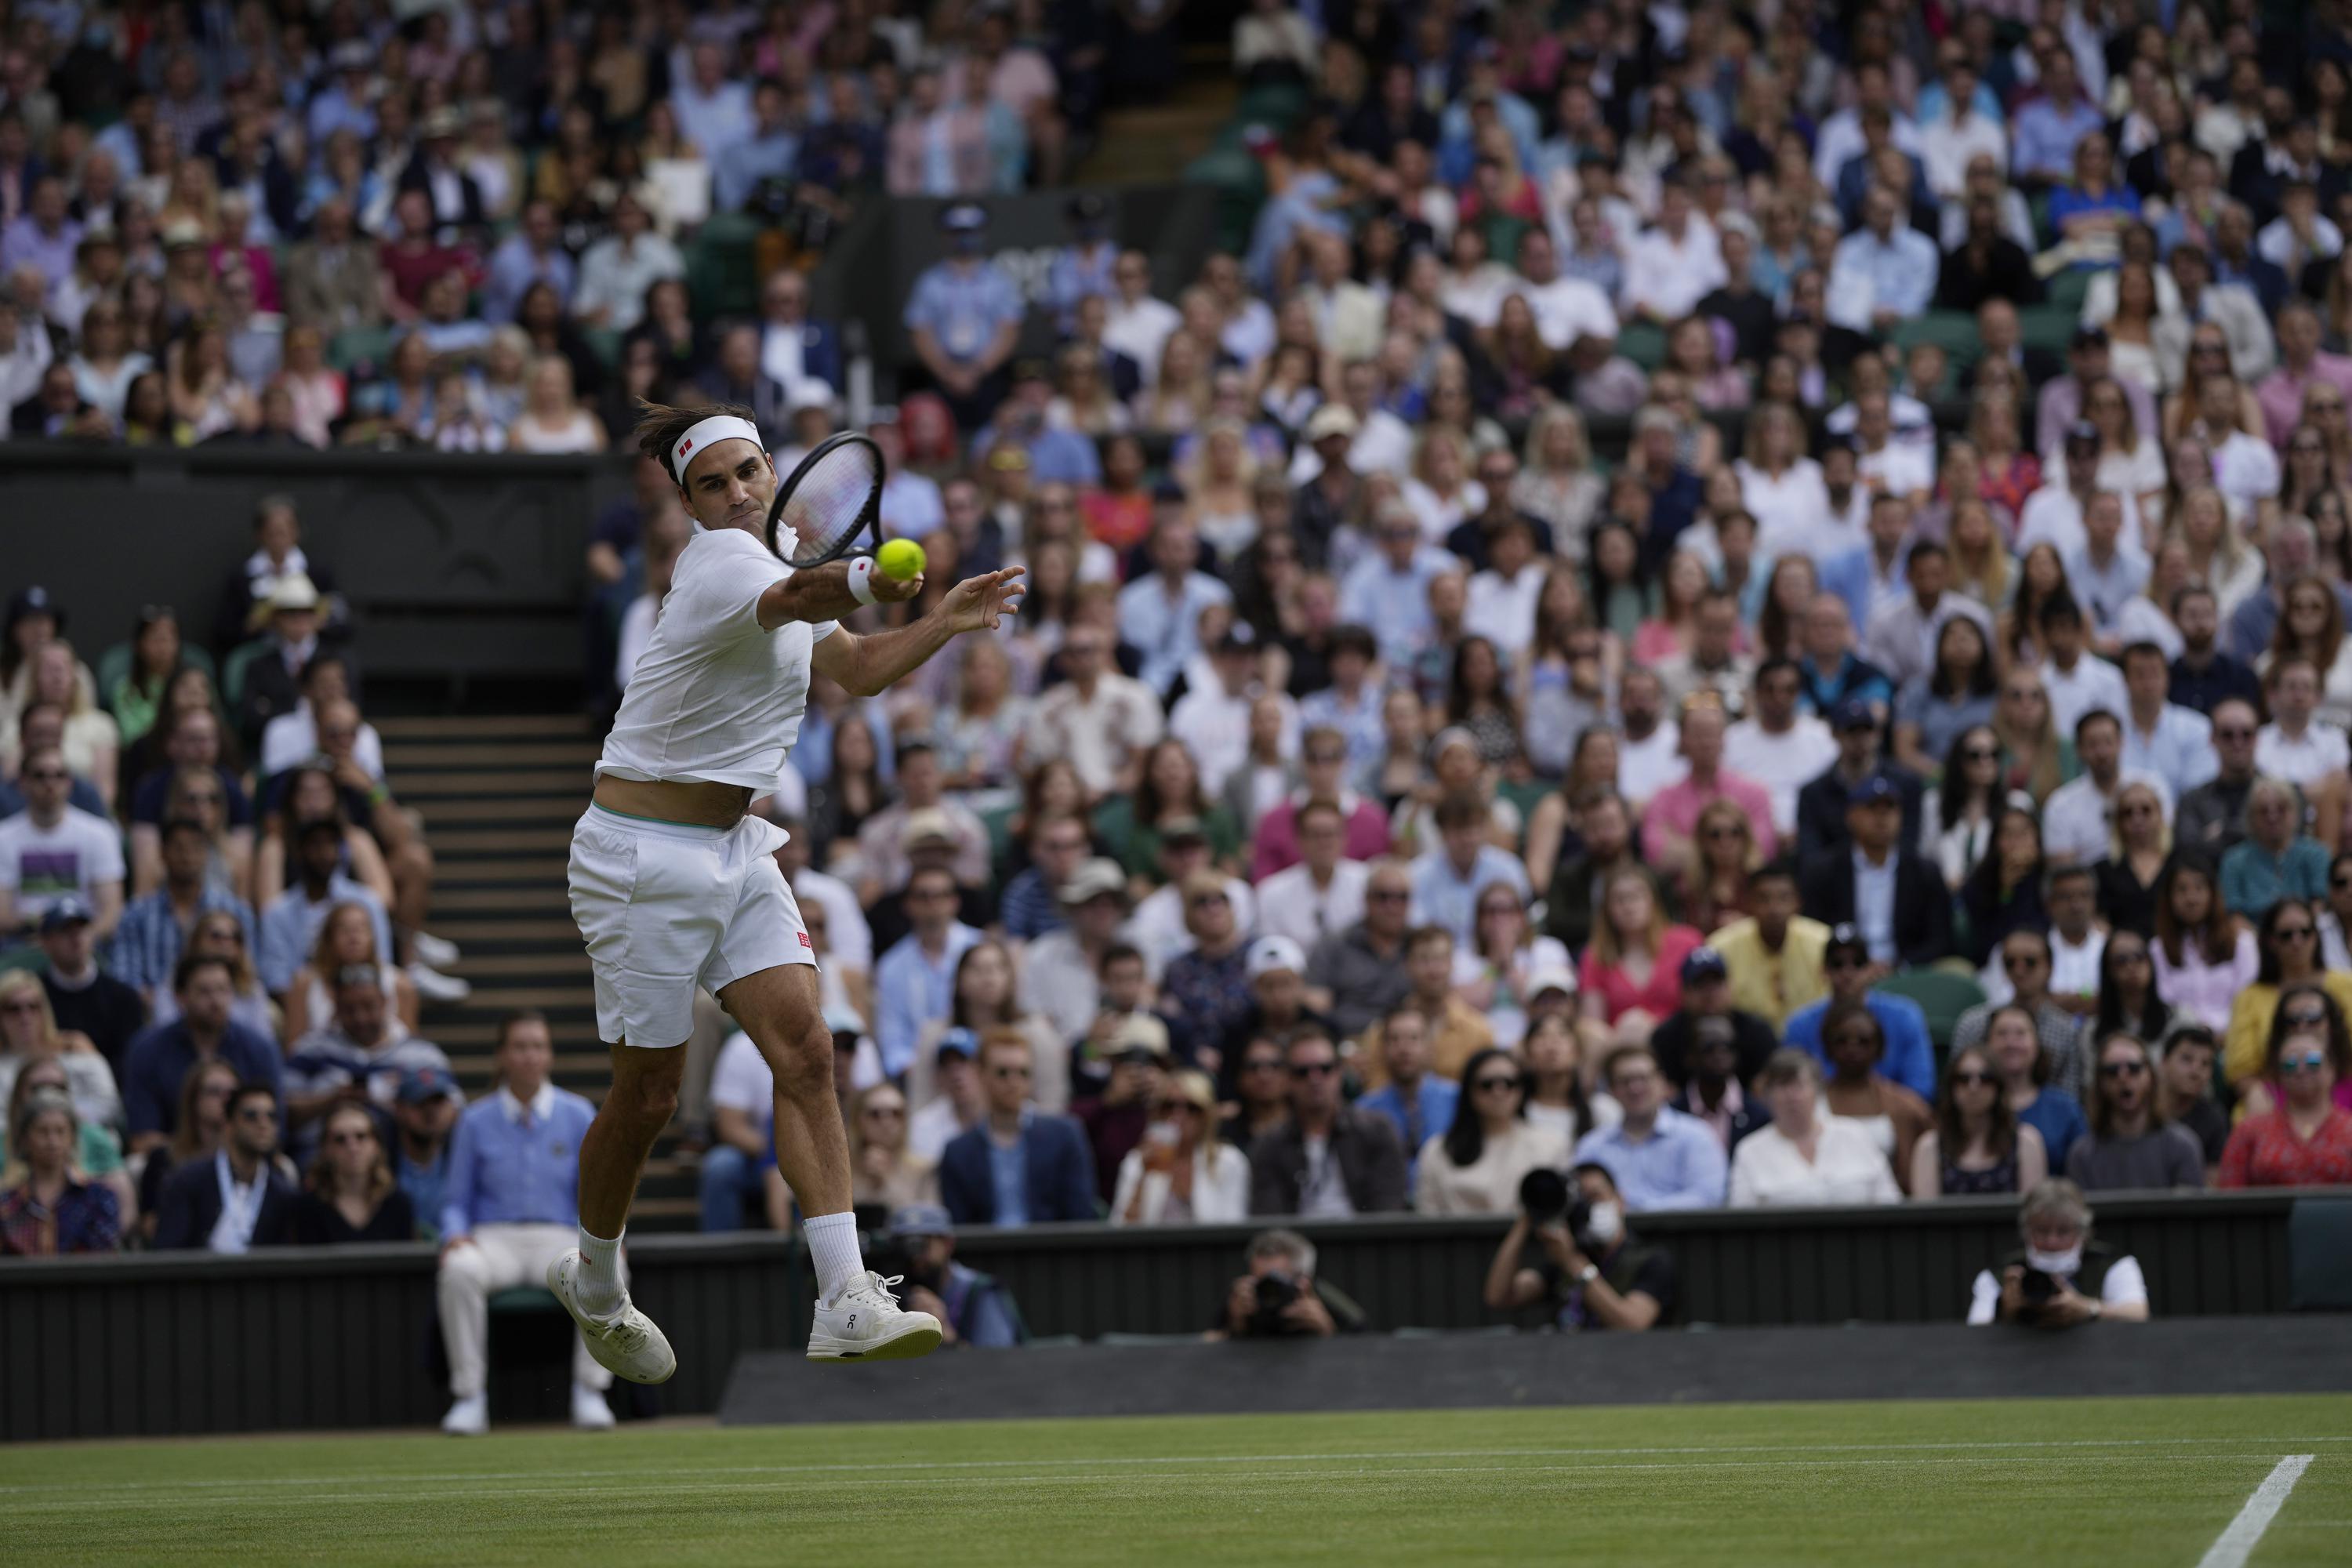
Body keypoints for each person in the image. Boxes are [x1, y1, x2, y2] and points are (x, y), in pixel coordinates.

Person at [556, 398, 1030, 1374]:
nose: (736, 493)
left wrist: (940, 619)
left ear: (775, 473)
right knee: (647, 1097)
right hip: (639, 857)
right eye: (712, 483)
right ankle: (595, 1278)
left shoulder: (765, 560)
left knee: (809, 1051)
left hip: (734, 847)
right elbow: (811, 601)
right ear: (690, 504)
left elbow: (854, 667)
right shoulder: (725, 561)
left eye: (748, 473)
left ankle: (845, 1295)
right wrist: (870, 571)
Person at [435, 1013, 613, 1436]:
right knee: (458, 1271)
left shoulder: (576, 1113)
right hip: (494, 1240)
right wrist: (453, 1235)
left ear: (549, 1055)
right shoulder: (474, 1120)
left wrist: (607, 1239)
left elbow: (597, 1191)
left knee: (607, 1269)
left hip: (559, 1238)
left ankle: (591, 1392)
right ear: (502, 1056)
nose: (530, 1055)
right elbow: (454, 1199)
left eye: (538, 1046)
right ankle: (469, 1397)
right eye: (520, 1046)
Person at [1483, 1161, 1674, 1331]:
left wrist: (1573, 1263)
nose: (1587, 1207)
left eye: (1595, 1197)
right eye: (1580, 1200)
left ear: (1620, 1200)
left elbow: (1632, 1324)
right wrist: (1527, 1217)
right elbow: (1499, 1296)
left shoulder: (1652, 1260)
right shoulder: (1561, 1263)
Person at [120, 955, 281, 1152]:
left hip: (246, 1155)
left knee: (285, 1169)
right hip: (170, 1160)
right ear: (180, 997)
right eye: (204, 991)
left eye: (223, 990)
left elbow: (276, 1127)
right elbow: (142, 1137)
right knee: (137, 1166)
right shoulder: (148, 1049)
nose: (216, 1001)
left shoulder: (259, 1049)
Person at [1247, 1028, 1409, 1216]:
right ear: (1288, 1080)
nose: (1315, 1079)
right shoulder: (1270, 1145)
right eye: (1303, 1072)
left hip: (1367, 1242)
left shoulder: (1376, 1131)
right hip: (1296, 1243)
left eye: (1325, 1069)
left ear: (1340, 1073)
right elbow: (1271, 1220)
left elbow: (1387, 1212)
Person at [1798, 775, 1953, 971]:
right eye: (1872, 809)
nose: (1882, 819)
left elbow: (1939, 939)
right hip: (1842, 974)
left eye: (1889, 810)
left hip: (1906, 973)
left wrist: (1900, 966)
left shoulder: (1924, 872)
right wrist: (1852, 966)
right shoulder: (1823, 871)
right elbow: (1813, 932)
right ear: (1850, 816)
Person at [1727, 1049, 1903, 1207]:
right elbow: (1742, 1220)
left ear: (1817, 1090)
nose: (1792, 1097)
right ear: (1767, 1095)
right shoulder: (1749, 1150)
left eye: (1798, 1085)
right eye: (1782, 1086)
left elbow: (1890, 1203)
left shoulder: (1856, 1135)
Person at [1966, 1179, 2151, 1327]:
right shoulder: (2001, 1274)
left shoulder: (2113, 1264)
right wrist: (2005, 1311)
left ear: (2082, 1232)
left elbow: (2138, 1314)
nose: (2051, 1241)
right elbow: (1976, 1331)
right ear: (2027, 1231)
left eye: (2063, 1231)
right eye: (2042, 1230)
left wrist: (2087, 1309)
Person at [1412, 1047, 1571, 1215]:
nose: (1499, 1091)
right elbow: (1428, 1219)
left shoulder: (1551, 1145)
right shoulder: (1437, 1151)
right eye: (1487, 1085)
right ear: (1469, 1091)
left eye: (1510, 1083)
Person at [1571, 1044, 1727, 1212]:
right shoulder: (1593, 1146)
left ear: (1661, 1082)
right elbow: (1578, 1199)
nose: (1635, 1088)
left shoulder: (1696, 1135)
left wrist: (1636, 1210)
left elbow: (1708, 1197)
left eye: (1643, 1078)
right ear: (1612, 1090)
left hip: (1683, 1234)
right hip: (1611, 1236)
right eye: (1625, 1081)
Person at [151, 1080, 297, 1252]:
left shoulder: (282, 1193)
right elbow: (168, 1251)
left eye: (271, 1117)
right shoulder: (188, 1180)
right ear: (229, 1124)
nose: (263, 1124)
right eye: (251, 1115)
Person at [1817, 1001, 1933, 1192]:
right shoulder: (1810, 1102)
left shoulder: (1907, 1107)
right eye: (1841, 1040)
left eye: (1863, 1041)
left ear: (1879, 1049)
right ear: (1828, 1047)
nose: (1852, 1048)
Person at [2219, 1022, 2352, 1187]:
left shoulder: (2349, 1128)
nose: (2301, 1070)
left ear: (2332, 1069)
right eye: (2290, 1064)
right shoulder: (2250, 1130)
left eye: (2313, 1062)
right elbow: (2229, 1194)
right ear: (2278, 1074)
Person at [2067, 1033, 2205, 1192]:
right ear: (2101, 1083)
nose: (2123, 1077)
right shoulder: (2082, 1154)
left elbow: (2191, 1213)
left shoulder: (2183, 1146)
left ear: (2151, 1077)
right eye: (2112, 1071)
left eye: (2134, 1069)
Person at [1109, 1069, 1250, 1225]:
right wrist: (1142, 1178)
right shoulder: (1137, 1162)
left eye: (1191, 1107)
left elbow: (1234, 1225)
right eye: (1169, 1106)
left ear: (1205, 1115)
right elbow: (1120, 1230)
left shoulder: (1229, 1161)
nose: (1178, 1115)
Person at [1911, 1044, 2049, 1199]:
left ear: (1998, 1086)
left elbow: (2032, 1216)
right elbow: (1926, 1219)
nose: (1973, 1087)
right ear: (1952, 1087)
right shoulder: (1930, 1147)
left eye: (1985, 1079)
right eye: (1963, 1079)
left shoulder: (2026, 1142)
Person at [878, 1204, 1025, 1349]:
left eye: (921, 1244)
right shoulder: (887, 1295)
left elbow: (1000, 1363)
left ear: (948, 1244)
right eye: (903, 1246)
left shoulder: (978, 1292)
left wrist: (946, 1333)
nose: (914, 1257)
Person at [1704, 862, 1828, 1032]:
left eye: (1784, 898)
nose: (1774, 909)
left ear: (1798, 902)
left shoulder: (1822, 943)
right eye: (1763, 899)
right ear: (1749, 903)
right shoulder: (1721, 947)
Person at [0, 1087, 122, 1255]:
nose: (52, 1141)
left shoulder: (98, 1197)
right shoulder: (7, 1203)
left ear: (72, 1137)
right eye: (42, 1131)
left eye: (60, 1131)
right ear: (26, 1138)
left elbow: (103, 1258)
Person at [1646, 946, 1779, 1090]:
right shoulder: (1666, 1038)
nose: (1709, 994)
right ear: (1684, 993)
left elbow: (1768, 1087)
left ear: (1729, 987)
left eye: (1716, 983)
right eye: (1700, 985)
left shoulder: (1757, 1033)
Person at [292, 1101, 416, 1243]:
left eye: (361, 1136)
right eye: (340, 1140)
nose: (352, 1147)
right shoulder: (308, 1208)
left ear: (376, 1145)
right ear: (326, 1149)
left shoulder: (398, 1204)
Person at [1213, 1229, 1364, 1338]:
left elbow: (1361, 1339)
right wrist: (1236, 1326)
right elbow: (1210, 1344)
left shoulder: (1322, 1299)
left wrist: (1326, 1330)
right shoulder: (1242, 1299)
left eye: (1277, 1281)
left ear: (1303, 1281)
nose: (1269, 1291)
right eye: (1261, 1282)